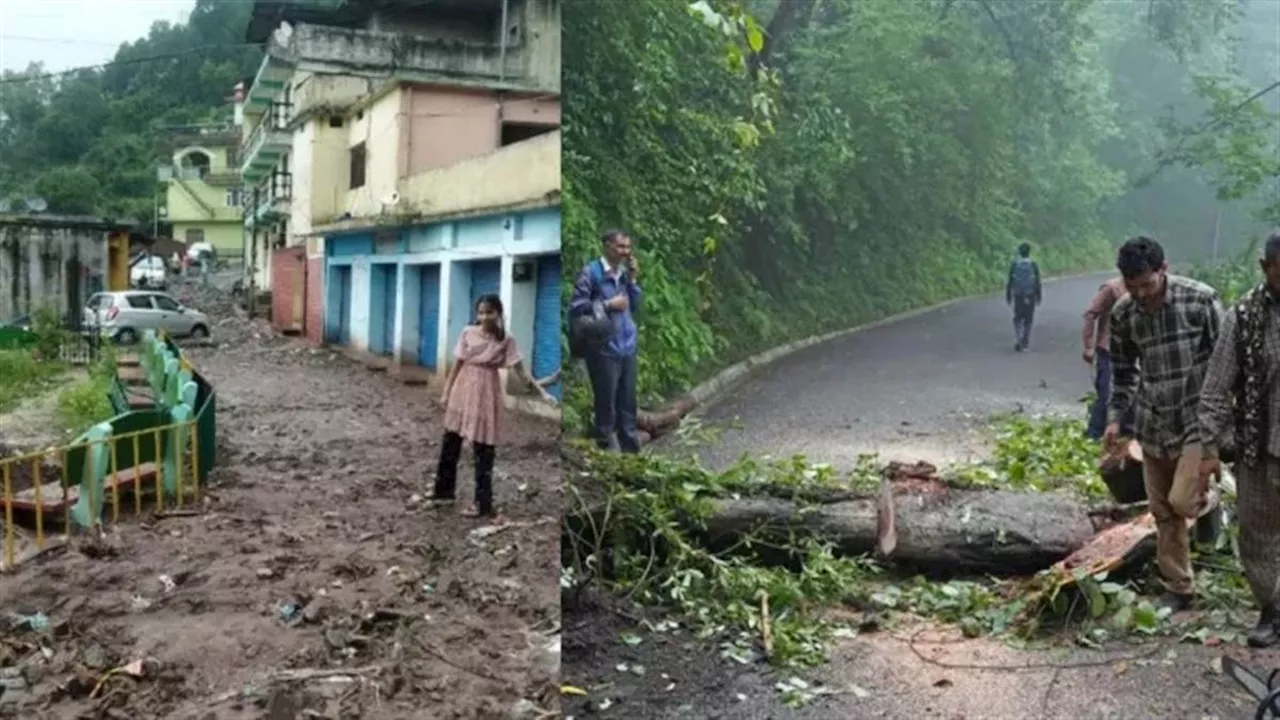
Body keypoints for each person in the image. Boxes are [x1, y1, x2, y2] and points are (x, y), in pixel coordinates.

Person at [1105, 236, 1223, 612]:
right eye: (1132, 286)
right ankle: (1180, 587)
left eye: (1148, 284)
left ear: (1164, 270)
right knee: (1163, 512)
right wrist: (1113, 419)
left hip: (1196, 418)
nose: (1141, 294)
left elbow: (1227, 364)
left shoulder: (1200, 300)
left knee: (1183, 501)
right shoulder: (1123, 314)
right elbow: (1123, 373)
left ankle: (1216, 497)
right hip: (1152, 422)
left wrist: (1224, 428)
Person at [1198, 231, 1280, 647]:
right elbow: (1216, 385)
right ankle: (1271, 609)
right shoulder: (1243, 314)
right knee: (1257, 534)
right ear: (1266, 268)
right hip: (1259, 448)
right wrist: (1209, 446)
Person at [427, 294, 554, 521]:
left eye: (489, 312)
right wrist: (447, 392)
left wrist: (542, 392)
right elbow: (457, 364)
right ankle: (443, 492)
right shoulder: (467, 332)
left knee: (483, 447)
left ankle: (483, 503)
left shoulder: (507, 340)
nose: (484, 317)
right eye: (481, 312)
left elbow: (521, 372)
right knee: (451, 440)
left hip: (487, 392)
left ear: (498, 313)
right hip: (463, 389)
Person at [569, 229, 643, 453]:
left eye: (628, 247)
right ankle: (607, 457)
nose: (625, 252)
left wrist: (633, 279)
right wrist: (609, 304)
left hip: (627, 346)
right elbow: (577, 307)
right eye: (620, 247)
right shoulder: (591, 273)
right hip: (603, 349)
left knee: (628, 405)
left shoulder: (623, 274)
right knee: (606, 406)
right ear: (606, 245)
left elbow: (635, 305)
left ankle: (632, 458)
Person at [1082, 276, 1129, 439]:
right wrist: (1089, 346)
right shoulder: (1111, 288)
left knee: (1130, 396)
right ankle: (1093, 436)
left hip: (1132, 351)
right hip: (1108, 350)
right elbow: (1090, 314)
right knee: (1106, 394)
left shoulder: (1145, 288)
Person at [1006, 242, 1042, 352]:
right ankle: (1025, 341)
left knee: (1018, 317)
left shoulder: (1015, 264)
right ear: (1029, 252)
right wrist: (1038, 295)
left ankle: (1018, 337)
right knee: (1028, 319)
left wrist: (1008, 295)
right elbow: (1037, 281)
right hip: (1030, 294)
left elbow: (1010, 281)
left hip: (1018, 294)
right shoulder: (1033, 264)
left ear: (1020, 252)